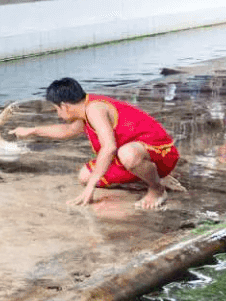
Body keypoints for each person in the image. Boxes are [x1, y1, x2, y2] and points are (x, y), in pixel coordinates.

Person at [11, 77, 179, 209]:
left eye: (56, 109)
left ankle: (157, 189)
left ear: (64, 105)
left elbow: (109, 147)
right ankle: (154, 175)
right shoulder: (86, 108)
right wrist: (32, 130)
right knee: (84, 176)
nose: (58, 114)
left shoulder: (94, 109)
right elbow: (67, 131)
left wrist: (90, 188)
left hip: (160, 153)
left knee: (126, 155)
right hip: (136, 155)